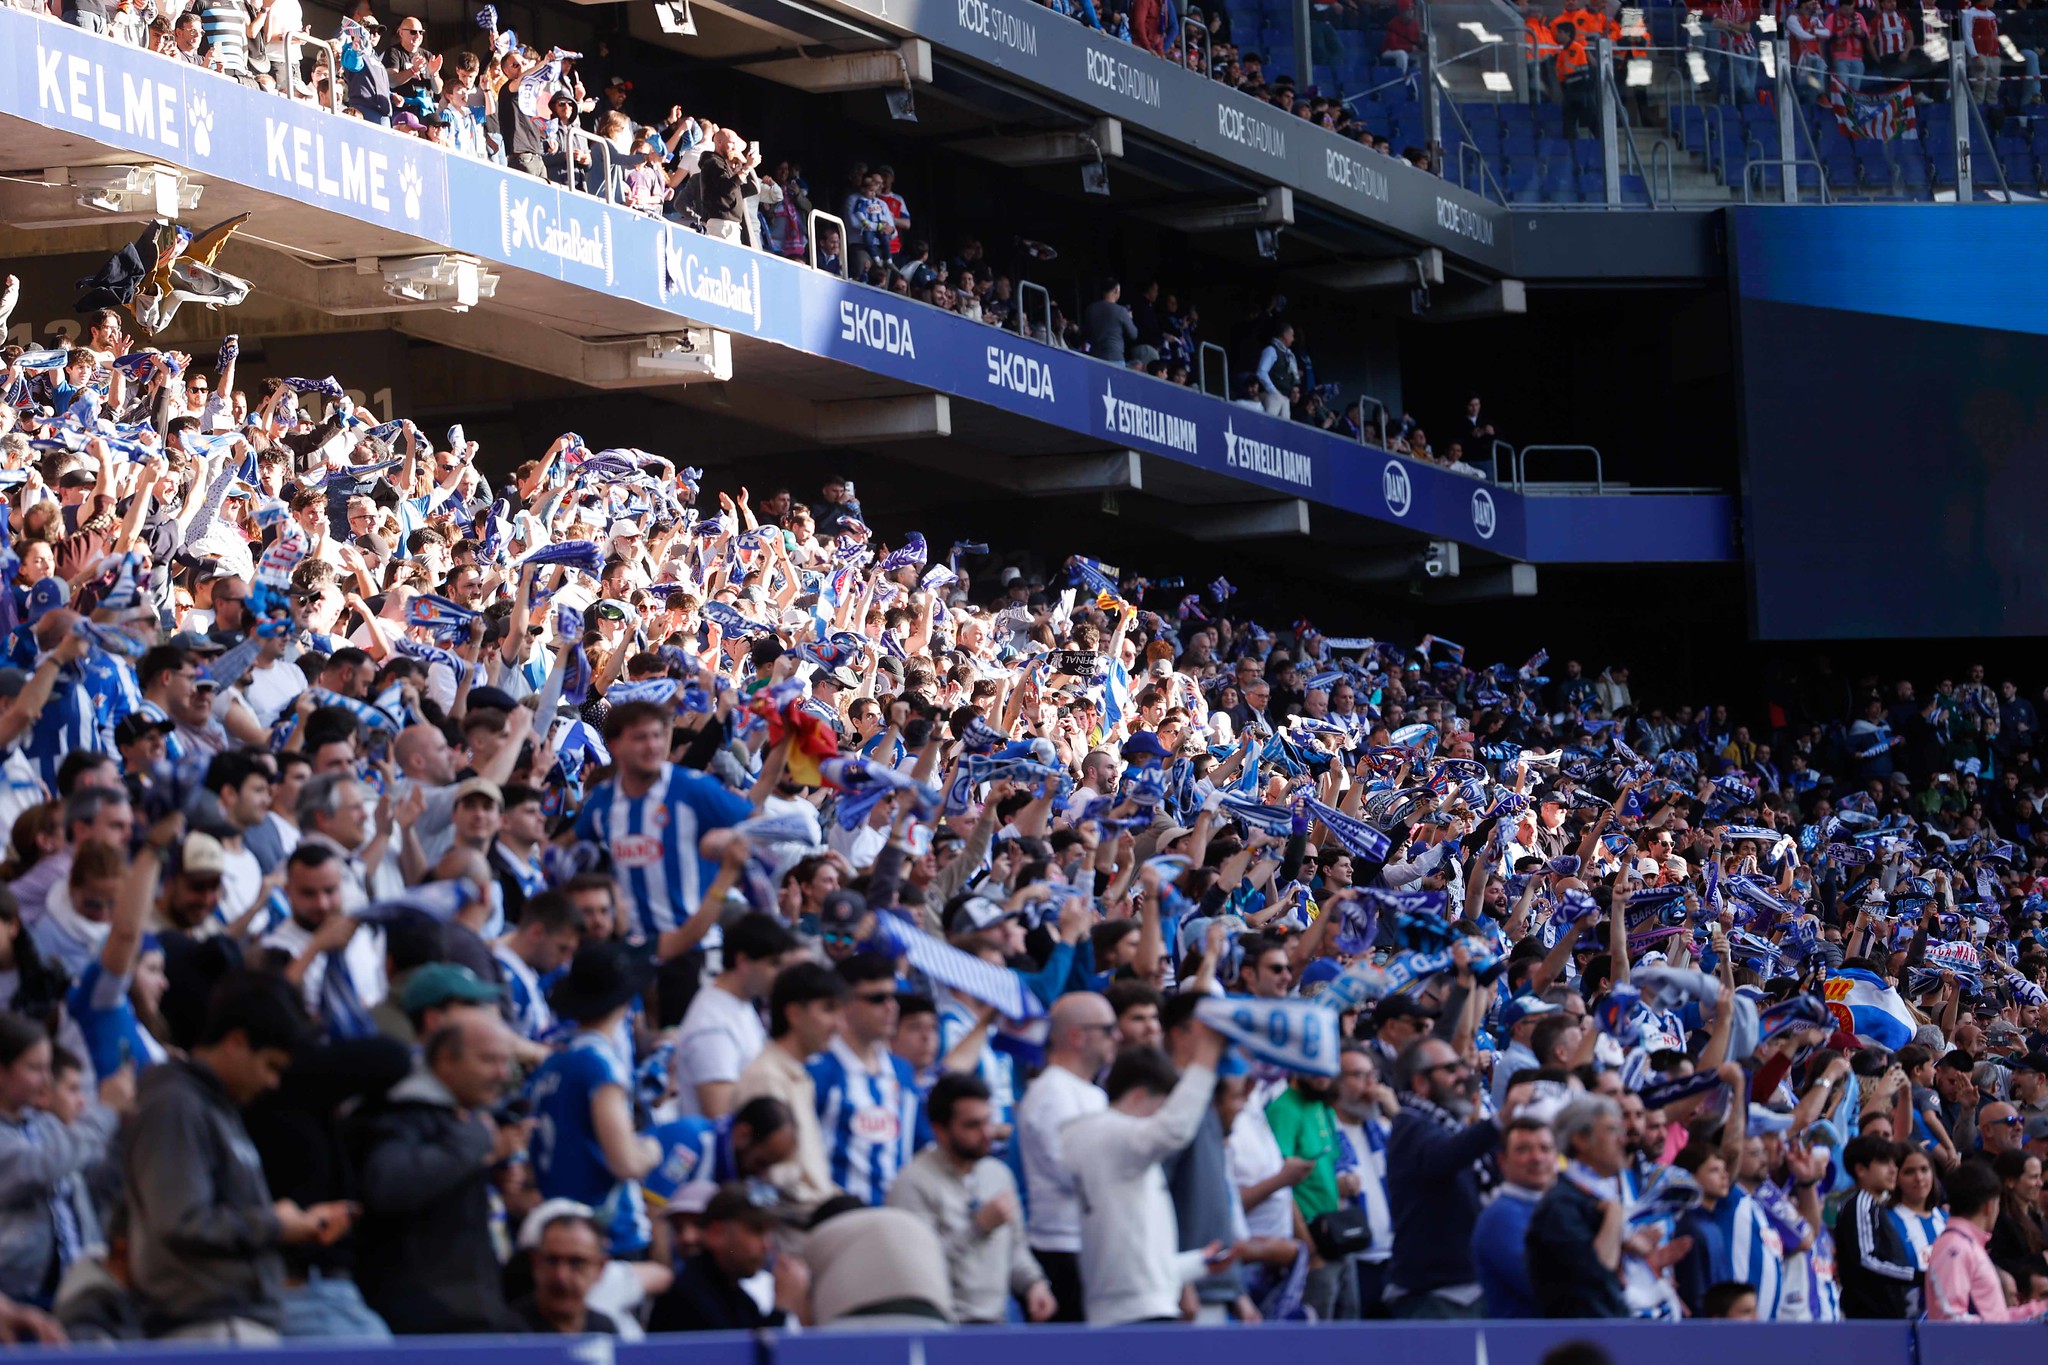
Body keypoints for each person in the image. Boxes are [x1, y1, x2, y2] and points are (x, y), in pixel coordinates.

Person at [123, 973, 349, 1342]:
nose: (273, 1082)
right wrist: (276, 1224)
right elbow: (182, 1221)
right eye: (271, 1066)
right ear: (236, 1042)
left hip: (235, 1320)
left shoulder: (215, 1107)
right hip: (206, 1325)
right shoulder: (175, 1105)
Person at [348, 1013, 525, 1334]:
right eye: (488, 1060)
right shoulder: (396, 1113)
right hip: (428, 1319)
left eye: (505, 1061)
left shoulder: (461, 1121)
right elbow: (388, 1183)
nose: (502, 1074)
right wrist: (476, 1142)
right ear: (445, 1059)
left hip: (468, 1312)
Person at [1064, 1025, 1224, 1324]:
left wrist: (1199, 1262)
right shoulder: (1110, 1136)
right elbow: (1174, 1130)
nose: (1161, 1120)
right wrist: (1206, 1057)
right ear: (1138, 1097)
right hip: (1134, 1316)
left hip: (1137, 1309)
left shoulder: (1116, 1147)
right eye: (1161, 1108)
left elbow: (1136, 1256)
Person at [526, 943, 660, 1258]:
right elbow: (624, 1161)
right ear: (626, 1003)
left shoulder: (552, 1062)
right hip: (608, 1236)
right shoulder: (600, 1064)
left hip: (558, 1230)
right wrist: (652, 1151)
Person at [887, 1073, 1054, 1324]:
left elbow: (1016, 1249)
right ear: (940, 1130)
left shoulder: (999, 1175)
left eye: (988, 1121)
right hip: (942, 1327)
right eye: (972, 1125)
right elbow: (916, 1269)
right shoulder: (912, 1184)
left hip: (997, 1323)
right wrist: (978, 1228)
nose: (987, 1133)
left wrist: (1035, 1285)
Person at [0, 1013, 125, 1309]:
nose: (46, 1080)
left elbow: (93, 1181)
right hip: (15, 1294)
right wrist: (105, 1110)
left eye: (47, 1069)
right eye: (34, 1068)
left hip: (73, 1288)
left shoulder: (47, 1126)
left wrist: (125, 1133)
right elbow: (40, 1167)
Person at [1384, 1036, 1501, 1318]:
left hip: (1466, 1285)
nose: (1464, 1074)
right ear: (1421, 1083)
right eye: (1450, 1070)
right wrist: (1500, 1122)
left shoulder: (1446, 1124)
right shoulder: (1410, 1126)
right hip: (1432, 1296)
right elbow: (1444, 1157)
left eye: (1461, 1066)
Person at [1016, 991, 1116, 1321]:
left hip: (1090, 1244)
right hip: (1062, 1249)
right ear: (1078, 1036)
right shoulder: (1052, 1093)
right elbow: (1071, 1171)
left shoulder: (1091, 1093)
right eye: (1107, 1028)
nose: (1116, 1036)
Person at [809, 953, 923, 1205]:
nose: (890, 1006)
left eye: (893, 997)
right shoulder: (818, 1072)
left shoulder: (902, 1072)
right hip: (837, 1222)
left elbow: (921, 1146)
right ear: (844, 1004)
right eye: (877, 999)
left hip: (896, 1221)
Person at [735, 959, 844, 1209]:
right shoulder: (766, 1076)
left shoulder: (799, 1075)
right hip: (793, 1226)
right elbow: (771, 1176)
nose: (837, 1023)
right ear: (794, 1013)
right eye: (828, 1009)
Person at [1526, 1096, 1632, 1319]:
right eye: (1612, 1130)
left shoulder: (1595, 1195)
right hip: (1578, 1341)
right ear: (1581, 1140)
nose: (1623, 1140)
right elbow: (1597, 1271)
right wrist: (1614, 1217)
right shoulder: (1561, 1205)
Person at [647, 1184, 806, 1331]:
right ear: (717, 1234)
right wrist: (781, 1308)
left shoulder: (740, 1300)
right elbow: (744, 1358)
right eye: (757, 1230)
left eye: (768, 1233)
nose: (766, 1245)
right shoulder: (688, 1297)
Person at [1925, 1159, 2048, 1321]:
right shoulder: (1955, 1247)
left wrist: (2039, 1309)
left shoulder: (1967, 1245)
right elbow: (1949, 1319)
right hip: (1972, 1346)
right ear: (1989, 1206)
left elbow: (1997, 1320)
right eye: (1998, 1204)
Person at [1471, 1116, 1557, 1318]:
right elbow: (1547, 1287)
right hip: (1523, 1343)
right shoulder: (1500, 1217)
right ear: (1502, 1161)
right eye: (1523, 1150)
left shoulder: (1555, 1207)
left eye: (1545, 1149)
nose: (1537, 1158)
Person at [1835, 1135, 1919, 1318]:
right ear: (1860, 1170)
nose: (1893, 1169)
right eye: (1883, 1162)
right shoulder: (1861, 1203)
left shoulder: (1875, 1207)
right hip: (1868, 1321)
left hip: (1887, 1318)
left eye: (1894, 1163)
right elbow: (1866, 1259)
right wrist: (1916, 1276)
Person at [511, 1207, 619, 1334]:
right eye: (552, 1261)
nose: (561, 1276)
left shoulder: (603, 1330)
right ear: (535, 1263)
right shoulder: (507, 1334)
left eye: (576, 1262)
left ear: (600, 1267)